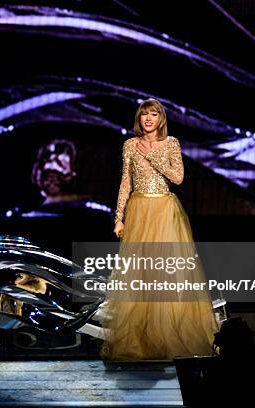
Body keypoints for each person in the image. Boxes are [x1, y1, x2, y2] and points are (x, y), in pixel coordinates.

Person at [101, 99, 217, 360]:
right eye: (144, 115)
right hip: (139, 211)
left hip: (164, 210)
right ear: (139, 119)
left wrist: (152, 155)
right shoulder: (129, 144)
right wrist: (118, 218)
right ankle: (141, 339)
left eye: (153, 114)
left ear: (161, 118)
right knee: (139, 276)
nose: (148, 119)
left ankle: (168, 337)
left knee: (166, 272)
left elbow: (178, 178)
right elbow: (125, 183)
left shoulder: (171, 143)